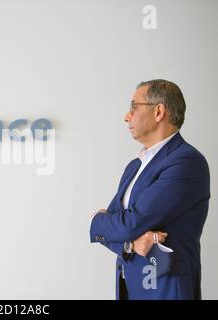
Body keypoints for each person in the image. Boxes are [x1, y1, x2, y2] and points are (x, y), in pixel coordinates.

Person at [90, 79, 210, 300]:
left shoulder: (186, 162)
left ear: (159, 112)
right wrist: (130, 244)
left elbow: (129, 223)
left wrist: (98, 219)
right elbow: (109, 231)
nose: (127, 116)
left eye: (134, 106)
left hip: (164, 288)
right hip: (130, 287)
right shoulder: (134, 166)